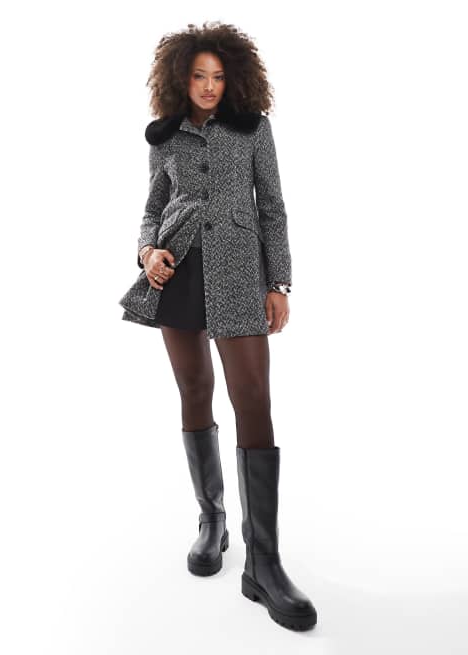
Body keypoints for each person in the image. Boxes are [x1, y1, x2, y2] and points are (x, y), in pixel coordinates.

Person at [118, 21, 318, 631]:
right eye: (198, 76)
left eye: (218, 76)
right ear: (180, 79)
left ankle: (265, 562)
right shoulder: (164, 137)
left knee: (253, 397)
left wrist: (278, 283)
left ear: (234, 79)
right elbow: (153, 208)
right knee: (194, 391)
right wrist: (147, 251)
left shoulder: (253, 130)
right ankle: (212, 520)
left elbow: (273, 207)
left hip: (237, 271)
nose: (208, 86)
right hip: (177, 272)